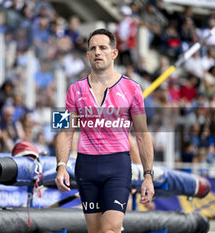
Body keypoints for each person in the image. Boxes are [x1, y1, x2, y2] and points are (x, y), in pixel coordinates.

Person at [55, 29, 154, 233]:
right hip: (86, 166)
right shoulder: (74, 89)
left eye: (103, 47)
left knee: (110, 230)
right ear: (88, 55)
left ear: (114, 53)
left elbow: (143, 134)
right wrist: (61, 166)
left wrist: (148, 175)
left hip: (117, 165)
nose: (98, 52)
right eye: (93, 48)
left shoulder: (132, 88)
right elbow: (65, 132)